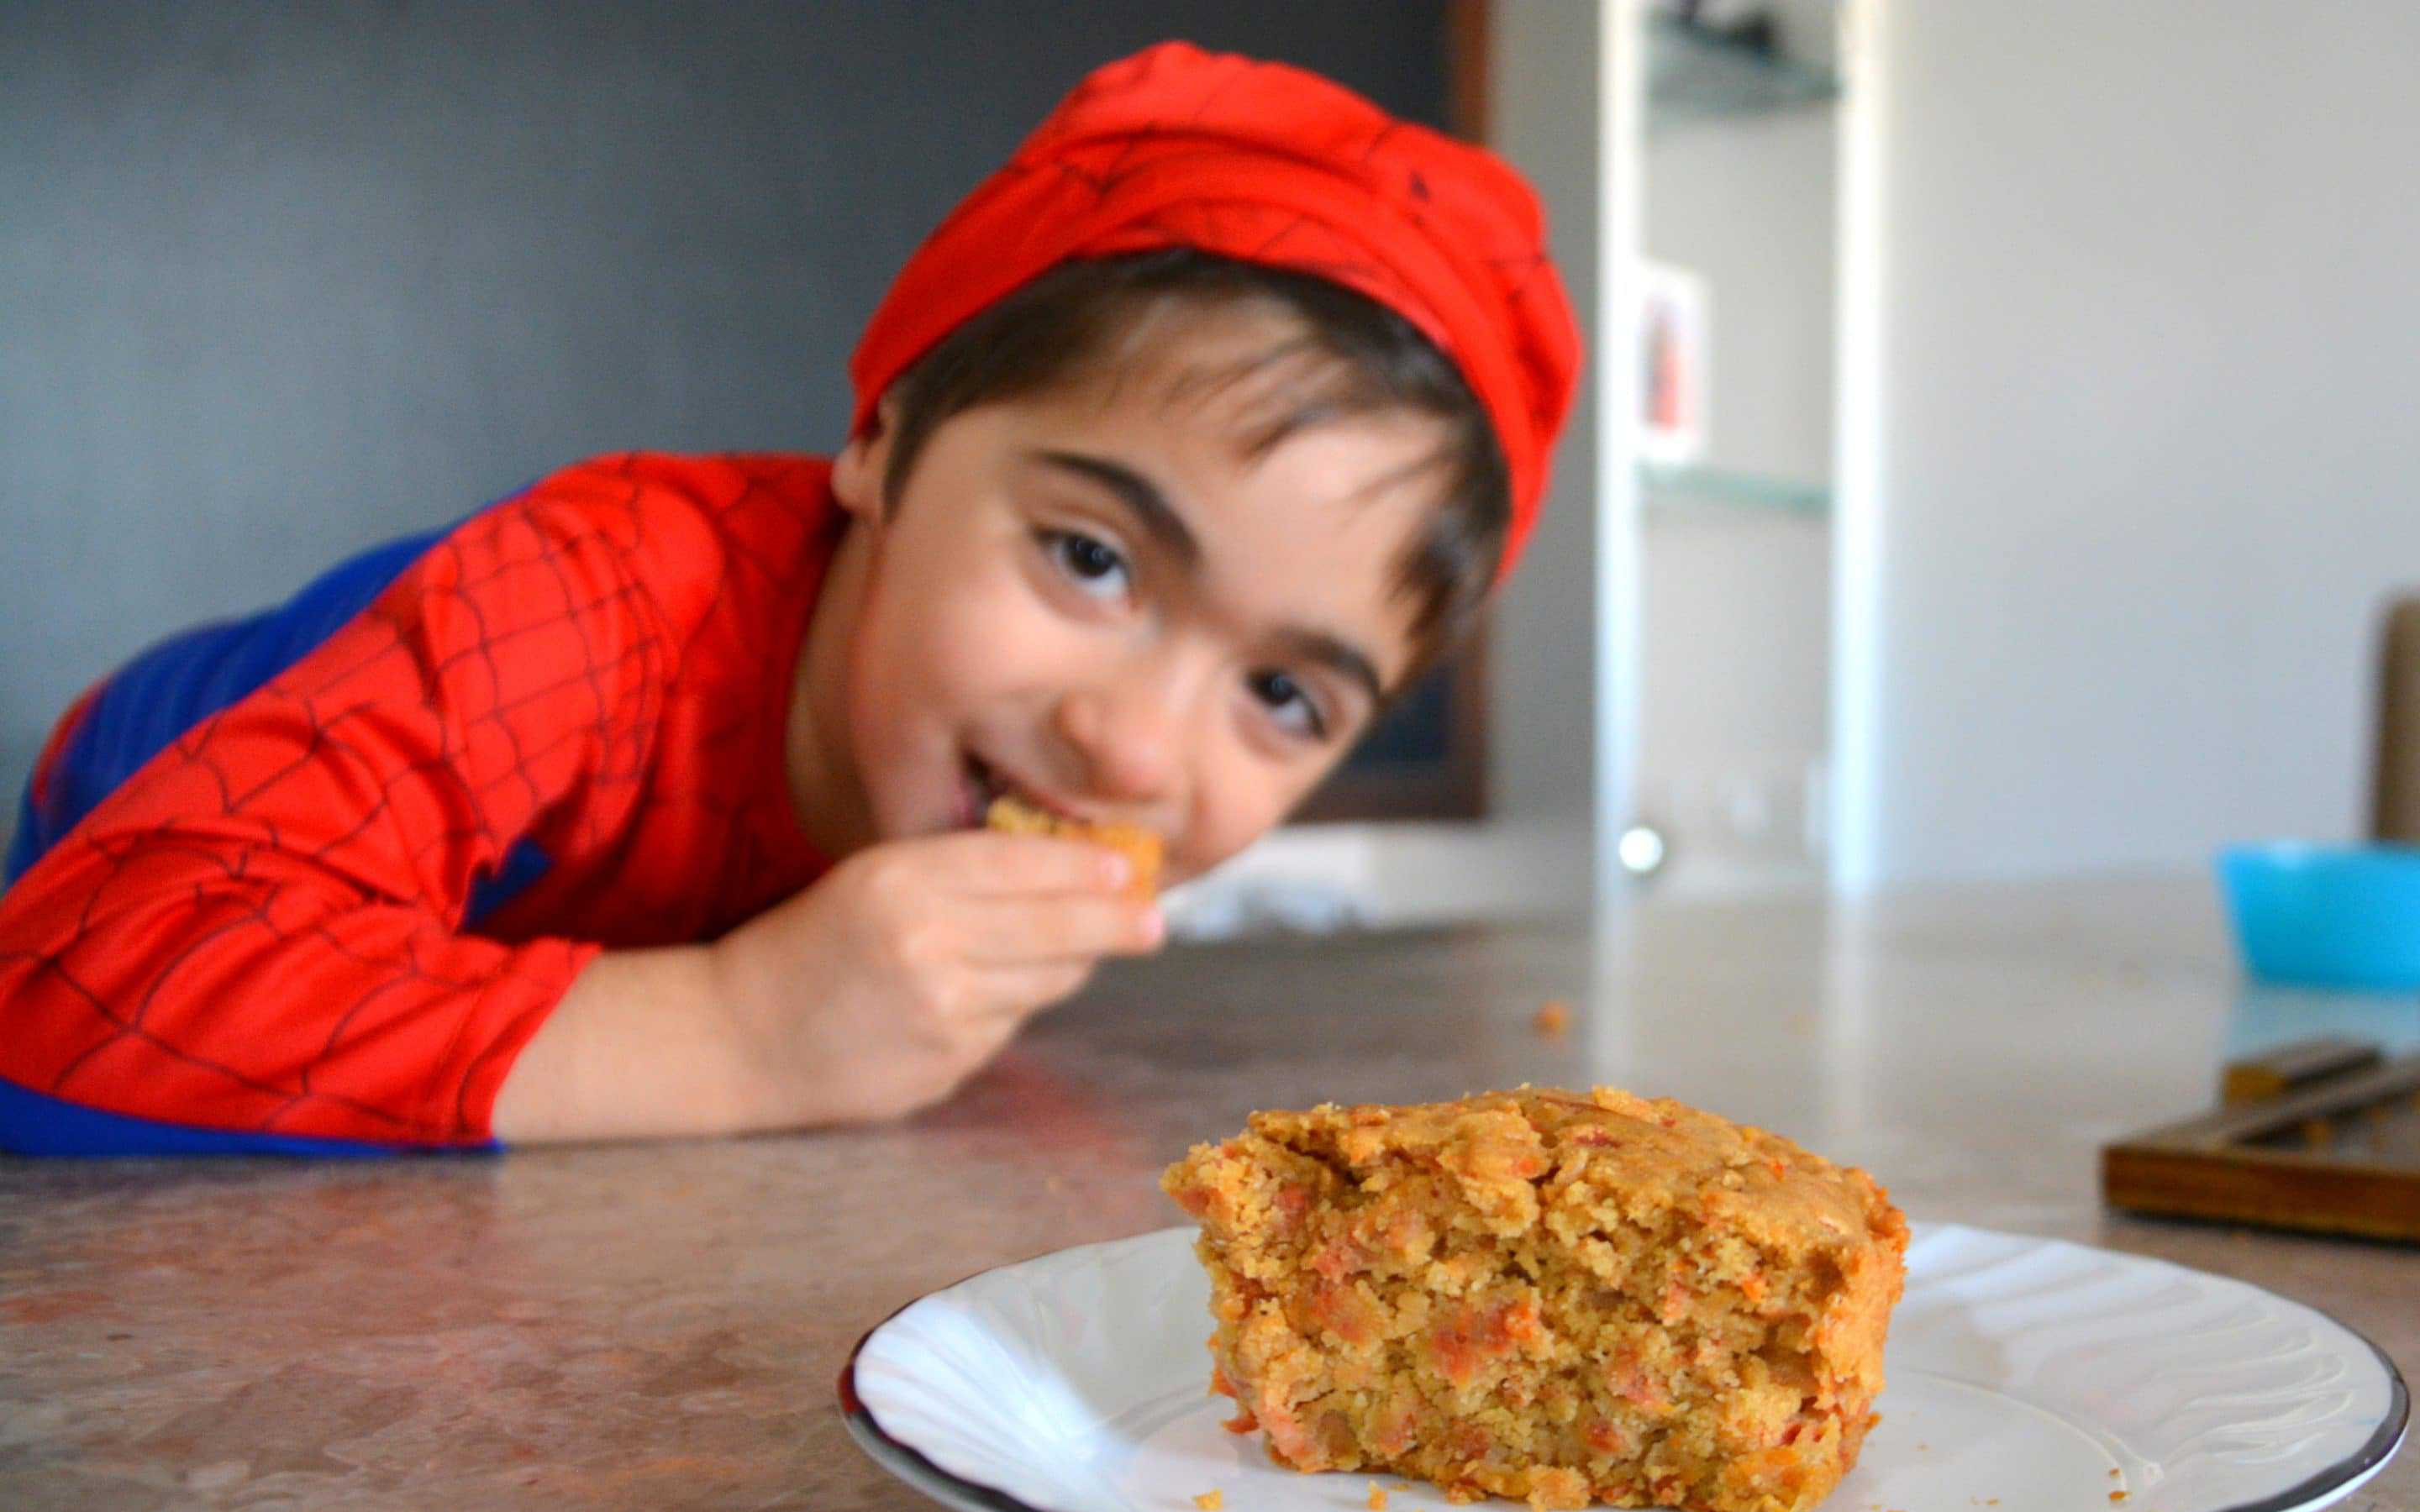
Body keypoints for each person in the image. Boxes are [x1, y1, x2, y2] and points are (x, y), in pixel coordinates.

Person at [0, 41, 1578, 1155]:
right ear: (883, 439)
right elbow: (68, 983)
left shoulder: (989, 756)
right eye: (1091, 558)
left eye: (1282, 696)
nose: (1136, 754)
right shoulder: (592, 596)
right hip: (133, 799)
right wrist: (738, 1035)